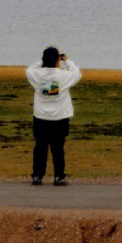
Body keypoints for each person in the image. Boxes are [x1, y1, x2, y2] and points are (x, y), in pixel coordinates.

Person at [25, 46, 82, 186]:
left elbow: (29, 70)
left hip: (41, 117)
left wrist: (41, 62)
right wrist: (67, 61)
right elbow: (77, 73)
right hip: (60, 118)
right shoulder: (63, 76)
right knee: (58, 148)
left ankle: (37, 176)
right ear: (58, 60)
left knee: (40, 147)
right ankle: (59, 177)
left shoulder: (37, 75)